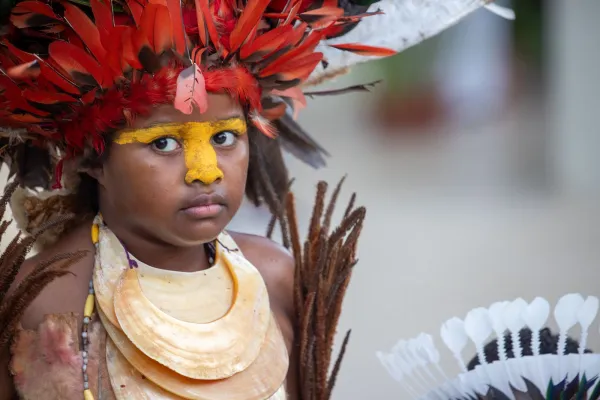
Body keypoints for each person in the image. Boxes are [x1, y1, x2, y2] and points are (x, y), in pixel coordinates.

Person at [0, 0, 506, 398]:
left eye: (224, 138)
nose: (205, 172)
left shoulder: (276, 277)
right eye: (163, 144)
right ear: (90, 158)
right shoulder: (35, 299)